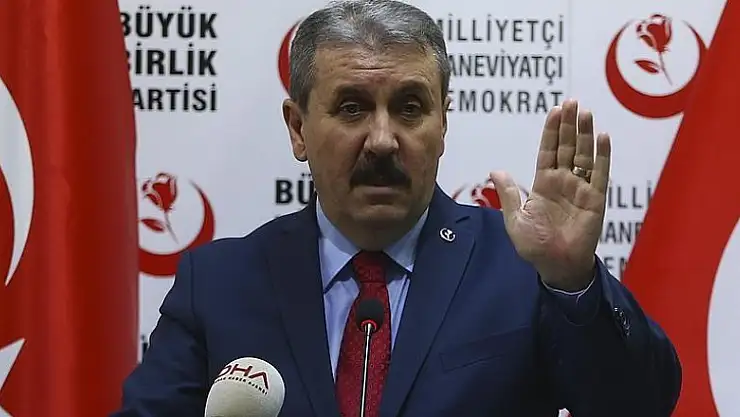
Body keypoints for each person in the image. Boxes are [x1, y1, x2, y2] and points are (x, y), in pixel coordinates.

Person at [111, 0, 681, 416]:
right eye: (352, 108)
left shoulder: (522, 269)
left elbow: (639, 404)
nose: (383, 141)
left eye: (409, 108)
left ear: (443, 124)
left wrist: (572, 282)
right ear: (298, 128)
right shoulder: (218, 285)